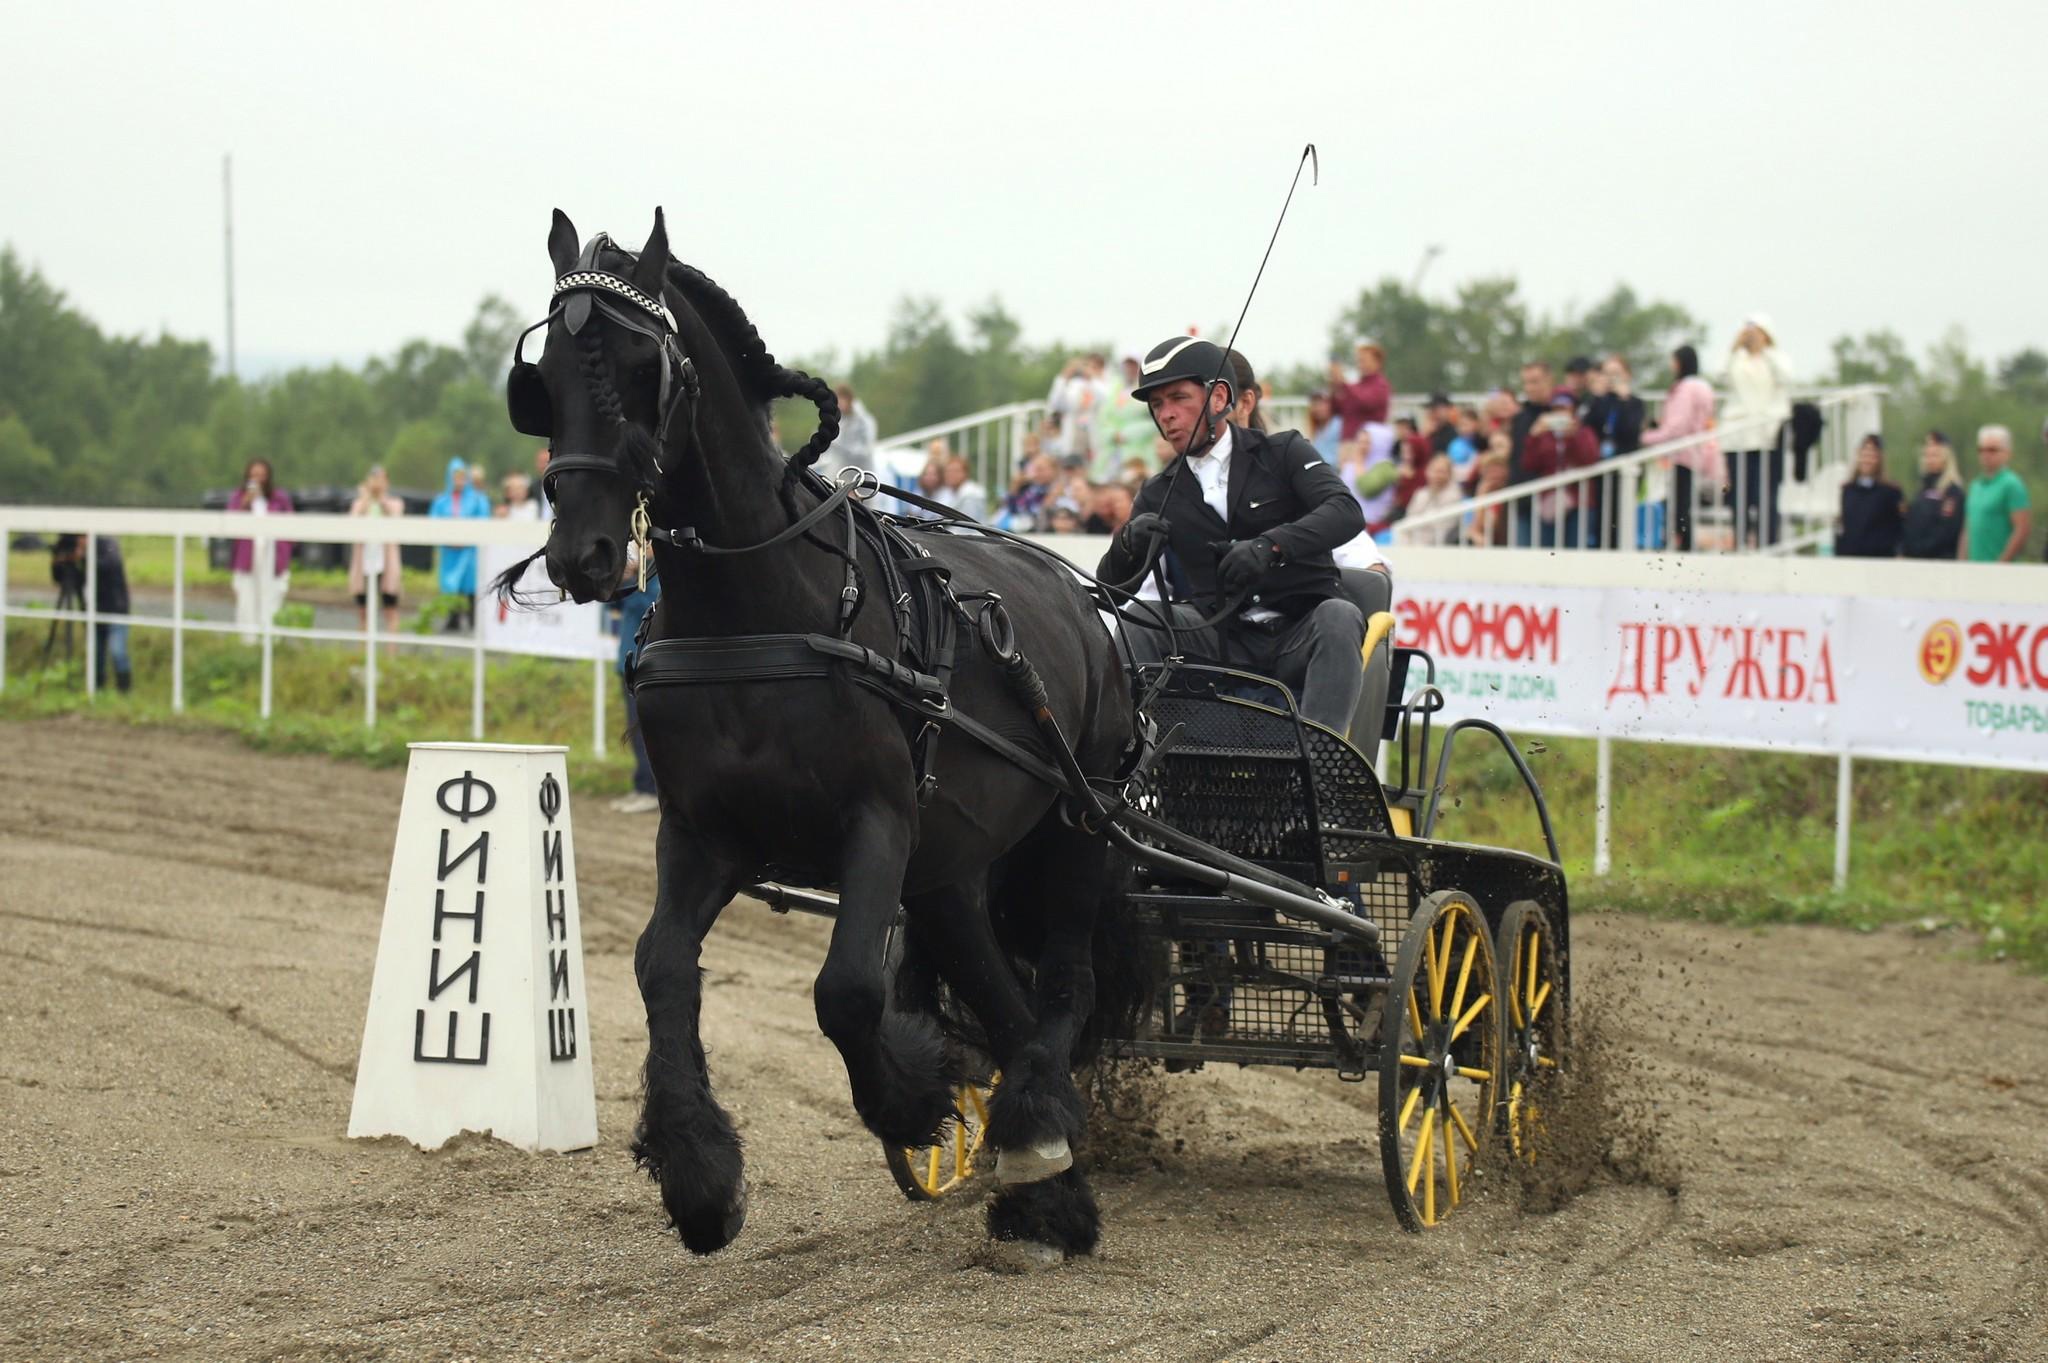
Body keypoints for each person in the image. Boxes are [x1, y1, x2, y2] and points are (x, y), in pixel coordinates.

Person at [1100, 336, 1366, 732]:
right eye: (1157, 405)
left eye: (1178, 399)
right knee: (1139, 619)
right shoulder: (1158, 491)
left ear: (1219, 397)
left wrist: (1271, 546)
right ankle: (1122, 750)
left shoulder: (1283, 452)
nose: (1167, 415)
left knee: (1340, 616)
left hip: (1299, 630)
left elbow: (1346, 511)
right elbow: (1112, 589)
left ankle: (1323, 764)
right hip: (1217, 640)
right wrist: (1128, 545)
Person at [1639, 345, 1721, 551]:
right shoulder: (1703, 387)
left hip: (1683, 453)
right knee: (1681, 504)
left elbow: (1677, 425)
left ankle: (1683, 549)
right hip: (1696, 452)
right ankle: (1683, 546)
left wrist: (1649, 437)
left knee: (1678, 507)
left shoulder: (1685, 388)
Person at [1722, 315, 1794, 548]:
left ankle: (1768, 543)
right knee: (1739, 495)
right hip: (1738, 438)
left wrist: (1766, 351)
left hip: (1768, 436)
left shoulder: (1776, 358)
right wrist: (1735, 346)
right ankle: (1741, 541)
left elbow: (1786, 377)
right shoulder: (1736, 359)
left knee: (1767, 495)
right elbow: (1720, 375)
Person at [1520, 393, 1603, 547]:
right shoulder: (1544, 435)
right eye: (1556, 409)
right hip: (1549, 502)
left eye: (1565, 408)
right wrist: (1533, 436)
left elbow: (1589, 459)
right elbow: (1528, 464)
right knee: (1548, 551)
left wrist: (1572, 436)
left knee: (1576, 549)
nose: (1560, 413)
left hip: (1579, 501)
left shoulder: (1585, 433)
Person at [52, 534, 132, 692]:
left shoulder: (106, 544)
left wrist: (83, 557)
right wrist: (59, 561)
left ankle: (124, 692)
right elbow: (61, 578)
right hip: (92, 612)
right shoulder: (80, 553)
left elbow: (109, 565)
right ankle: (97, 689)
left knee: (117, 651)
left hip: (115, 609)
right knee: (96, 654)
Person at [610, 567, 661, 814]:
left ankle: (650, 789)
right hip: (629, 662)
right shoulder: (640, 573)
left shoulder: (658, 574)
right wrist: (621, 580)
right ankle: (642, 786)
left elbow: (649, 605)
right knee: (634, 729)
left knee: (647, 731)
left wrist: (630, 580)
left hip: (647, 662)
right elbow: (612, 605)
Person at [227, 458, 294, 643]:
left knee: (272, 596)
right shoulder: (238, 498)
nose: (258, 479)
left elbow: (290, 525)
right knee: (247, 597)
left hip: (272, 554)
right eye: (254, 475)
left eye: (262, 475)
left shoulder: (278, 499)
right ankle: (248, 640)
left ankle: (270, 639)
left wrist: (285, 549)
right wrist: (245, 503)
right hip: (247, 555)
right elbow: (230, 524)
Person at [1588, 354, 1647, 548]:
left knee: (1620, 519)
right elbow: (1589, 427)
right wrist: (1598, 397)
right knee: (1600, 522)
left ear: (1627, 375)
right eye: (1607, 373)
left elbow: (1630, 431)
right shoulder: (1598, 401)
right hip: (1600, 471)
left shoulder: (1635, 403)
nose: (1611, 378)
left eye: (1616, 374)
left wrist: (1624, 400)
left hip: (1624, 472)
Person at [430, 457, 492, 632]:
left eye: (462, 476)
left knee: (472, 583)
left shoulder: (477, 500)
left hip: (470, 550)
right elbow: (434, 523)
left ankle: (474, 619)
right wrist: (448, 539)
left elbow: (483, 520)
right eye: (455, 476)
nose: (459, 480)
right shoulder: (441, 501)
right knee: (451, 585)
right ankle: (453, 618)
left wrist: (467, 538)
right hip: (450, 551)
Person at [1959, 424, 2033, 563]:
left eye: (1992, 450)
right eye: (1981, 450)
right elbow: (1968, 528)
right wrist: (1962, 562)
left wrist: (2001, 564)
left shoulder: (2012, 484)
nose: (1985, 454)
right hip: (1974, 569)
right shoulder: (1975, 486)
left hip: (2002, 572)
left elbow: (2022, 528)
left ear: (2007, 453)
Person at [348, 465, 406, 642]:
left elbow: (394, 516)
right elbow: (352, 524)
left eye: (381, 480)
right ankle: (362, 654)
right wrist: (366, 497)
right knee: (363, 611)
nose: (377, 484)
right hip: (364, 563)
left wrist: (380, 498)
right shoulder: (359, 504)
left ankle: (391, 655)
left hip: (386, 563)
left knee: (391, 610)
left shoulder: (395, 503)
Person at [1834, 435, 1904, 558]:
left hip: (1879, 561)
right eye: (1864, 454)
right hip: (1851, 560)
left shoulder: (1891, 492)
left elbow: (1899, 529)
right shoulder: (1848, 490)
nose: (1867, 460)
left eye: (1872, 456)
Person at [1901, 431, 1966, 560]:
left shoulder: (1952, 492)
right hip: (1914, 560)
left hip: (1939, 561)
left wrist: (1919, 550)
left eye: (1935, 455)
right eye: (1927, 455)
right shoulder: (1923, 488)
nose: (1930, 460)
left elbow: (1947, 532)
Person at [1328, 340, 1391, 441]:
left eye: (1364, 360)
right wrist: (1335, 386)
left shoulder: (1381, 385)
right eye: (1359, 360)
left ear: (1377, 362)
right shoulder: (1356, 386)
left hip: (1368, 445)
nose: (1360, 364)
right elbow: (1337, 409)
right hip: (1348, 442)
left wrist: (1343, 382)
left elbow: (1365, 402)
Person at [1397, 453, 1464, 546]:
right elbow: (1409, 516)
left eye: (1441, 472)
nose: (1437, 475)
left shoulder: (1454, 495)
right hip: (1413, 539)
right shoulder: (1421, 494)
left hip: (1436, 542)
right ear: (1428, 472)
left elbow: (1445, 526)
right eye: (1434, 471)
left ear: (1449, 474)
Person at [826, 383, 879, 481]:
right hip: (841, 476)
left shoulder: (864, 421)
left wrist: (837, 444)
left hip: (861, 476)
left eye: (841, 399)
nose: (838, 403)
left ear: (848, 399)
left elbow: (865, 451)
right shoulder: (838, 420)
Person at [936, 453, 988, 522]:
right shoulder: (946, 493)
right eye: (948, 471)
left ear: (966, 473)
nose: (950, 474)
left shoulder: (972, 495)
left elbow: (967, 528)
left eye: (956, 471)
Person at [1301, 390, 1342, 464]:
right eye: (1315, 404)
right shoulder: (1316, 429)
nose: (1318, 408)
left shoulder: (1338, 424)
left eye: (1322, 404)